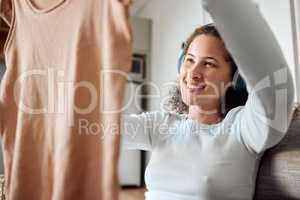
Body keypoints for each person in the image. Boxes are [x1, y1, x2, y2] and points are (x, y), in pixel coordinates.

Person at [121, 0, 295, 199]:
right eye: (190, 60)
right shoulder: (162, 123)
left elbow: (274, 82)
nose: (193, 73)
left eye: (209, 64)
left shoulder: (245, 129)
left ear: (234, 79)